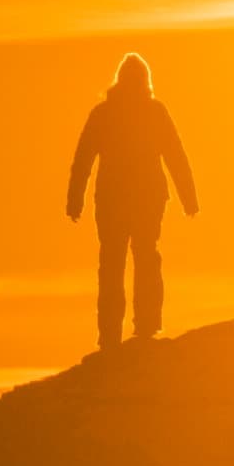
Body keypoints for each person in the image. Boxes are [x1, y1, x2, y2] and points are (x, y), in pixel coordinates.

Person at [66, 54, 199, 349]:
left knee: (115, 264)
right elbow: (176, 156)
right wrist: (188, 199)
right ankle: (144, 327)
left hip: (124, 200)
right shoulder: (152, 112)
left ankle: (113, 335)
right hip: (141, 200)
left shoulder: (105, 114)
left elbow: (83, 160)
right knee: (143, 258)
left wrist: (75, 200)